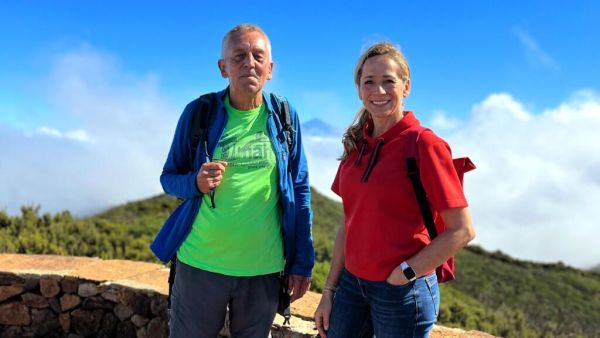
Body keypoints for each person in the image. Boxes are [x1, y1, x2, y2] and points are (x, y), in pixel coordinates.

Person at [152, 24, 314, 338]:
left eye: (257, 56)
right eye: (238, 56)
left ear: (270, 68)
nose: (248, 63)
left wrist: (301, 262)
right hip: (200, 263)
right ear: (223, 67)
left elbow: (299, 188)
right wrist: (195, 183)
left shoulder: (283, 116)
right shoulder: (199, 113)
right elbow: (169, 178)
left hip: (262, 269)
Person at [313, 42, 476, 337]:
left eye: (389, 81)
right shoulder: (355, 145)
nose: (379, 91)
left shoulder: (423, 144)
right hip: (352, 284)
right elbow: (348, 223)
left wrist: (406, 273)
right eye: (369, 82)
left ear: (406, 86)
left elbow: (462, 230)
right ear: (360, 90)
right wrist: (329, 290)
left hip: (402, 290)